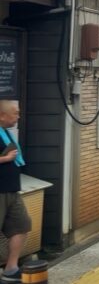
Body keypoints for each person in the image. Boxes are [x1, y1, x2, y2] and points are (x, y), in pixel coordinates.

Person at [0, 101, 29, 284]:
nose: (18, 116)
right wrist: (3, 159)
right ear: (2, 115)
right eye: (15, 113)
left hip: (12, 189)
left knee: (22, 225)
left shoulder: (7, 133)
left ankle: (11, 269)